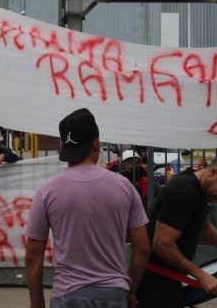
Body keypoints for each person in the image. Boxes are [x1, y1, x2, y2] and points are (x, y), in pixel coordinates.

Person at [25, 108, 150, 308]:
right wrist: (131, 291)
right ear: (96, 143)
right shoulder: (124, 187)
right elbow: (142, 248)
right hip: (114, 295)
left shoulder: (47, 192)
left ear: (64, 148)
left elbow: (33, 255)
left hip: (67, 296)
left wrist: (36, 303)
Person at [136, 152, 217, 308]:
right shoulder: (185, 192)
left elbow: (203, 231)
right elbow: (162, 244)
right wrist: (201, 275)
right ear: (213, 172)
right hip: (156, 285)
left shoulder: (200, 191)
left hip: (171, 282)